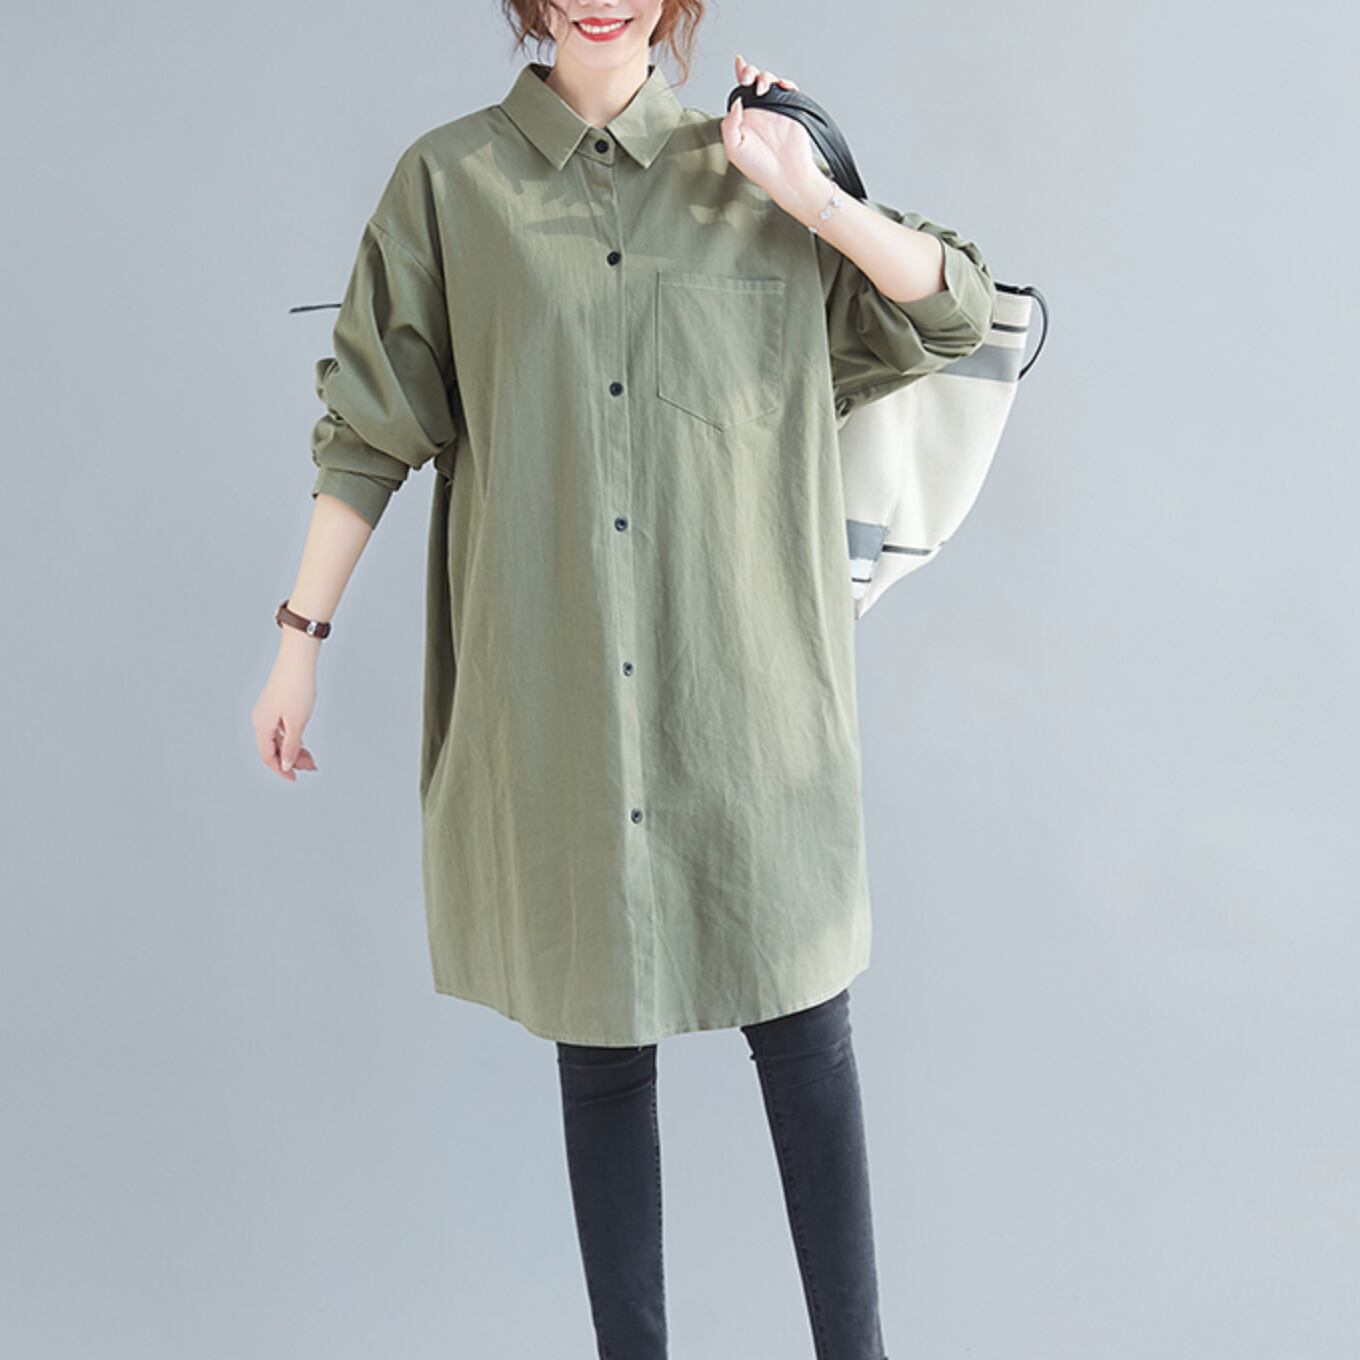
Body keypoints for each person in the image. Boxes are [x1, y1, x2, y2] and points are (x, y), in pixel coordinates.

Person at [252, 2, 996, 1355]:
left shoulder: (753, 169)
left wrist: (816, 197)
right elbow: (368, 426)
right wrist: (299, 640)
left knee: (807, 1035)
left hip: (751, 701)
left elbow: (953, 312)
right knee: (598, 1049)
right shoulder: (449, 184)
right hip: (558, 702)